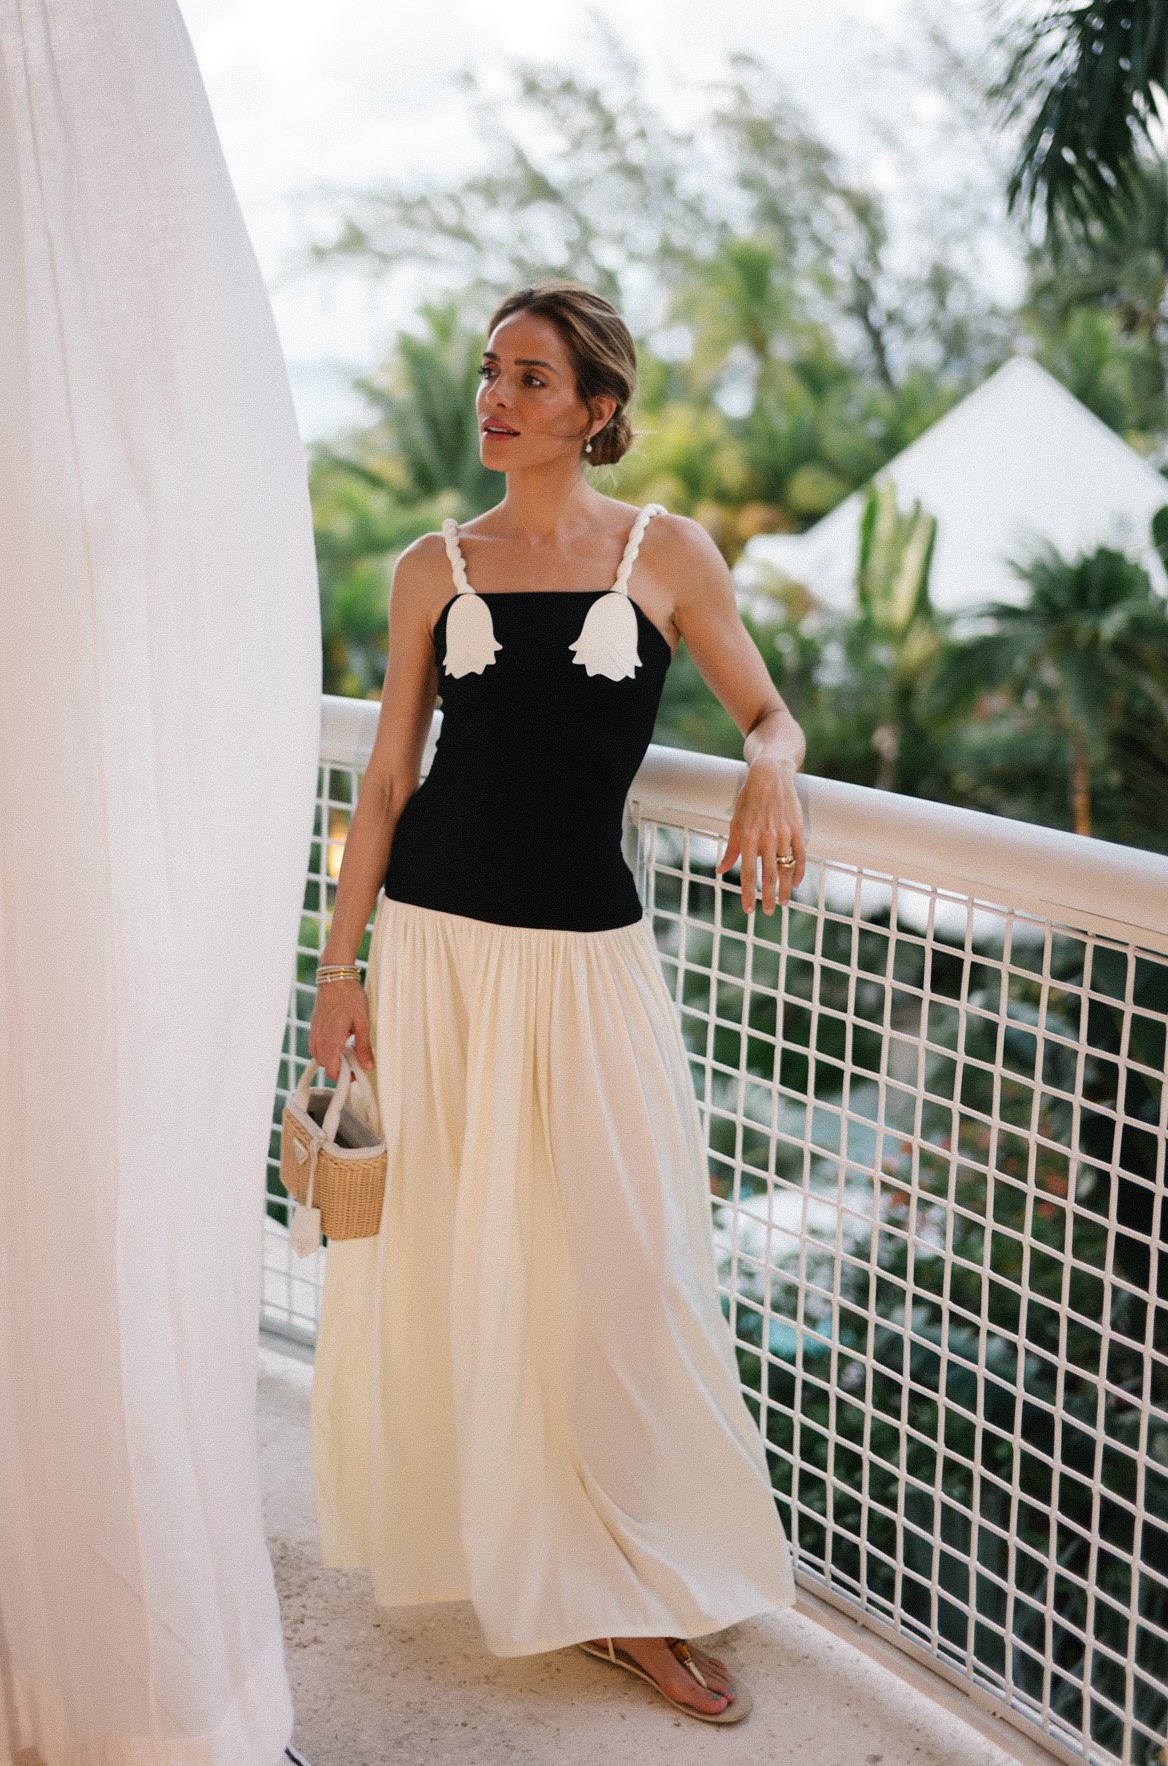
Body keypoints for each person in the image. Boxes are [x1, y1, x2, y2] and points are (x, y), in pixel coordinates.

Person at [308, 280, 803, 1724]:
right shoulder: (433, 567)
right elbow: (387, 782)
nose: (496, 398)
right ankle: (557, 1573)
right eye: (491, 371)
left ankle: (636, 1570)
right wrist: (338, 972)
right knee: (466, 1252)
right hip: (437, 945)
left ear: (597, 409)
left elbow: (767, 711)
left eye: (531, 378)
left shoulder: (667, 553)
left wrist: (772, 766)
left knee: (621, 1267)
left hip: (586, 959)